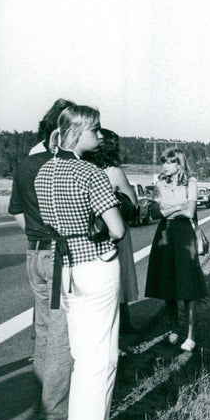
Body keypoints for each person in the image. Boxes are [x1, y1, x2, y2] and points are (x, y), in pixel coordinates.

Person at [34, 104, 126, 420]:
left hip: (67, 267)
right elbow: (117, 228)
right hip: (98, 265)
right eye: (95, 130)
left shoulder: (44, 173)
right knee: (100, 359)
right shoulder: (91, 173)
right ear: (76, 133)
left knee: (80, 355)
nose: (100, 136)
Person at [7, 99, 75, 420]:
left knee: (44, 329)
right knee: (61, 329)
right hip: (57, 254)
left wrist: (35, 235)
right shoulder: (62, 167)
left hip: (33, 251)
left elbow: (17, 213)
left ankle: (41, 398)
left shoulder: (25, 165)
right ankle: (56, 406)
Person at [145, 148, 207, 352]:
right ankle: (174, 328)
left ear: (179, 164)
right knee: (167, 284)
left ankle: (191, 335)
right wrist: (176, 207)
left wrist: (168, 210)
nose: (165, 165)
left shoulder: (191, 182)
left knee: (188, 286)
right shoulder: (159, 184)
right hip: (165, 234)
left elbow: (189, 212)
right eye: (163, 162)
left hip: (184, 235)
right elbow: (155, 213)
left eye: (169, 162)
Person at [85, 128, 140, 333]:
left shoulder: (82, 169)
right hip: (113, 231)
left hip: (88, 235)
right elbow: (133, 206)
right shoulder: (113, 173)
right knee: (119, 277)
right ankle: (122, 324)